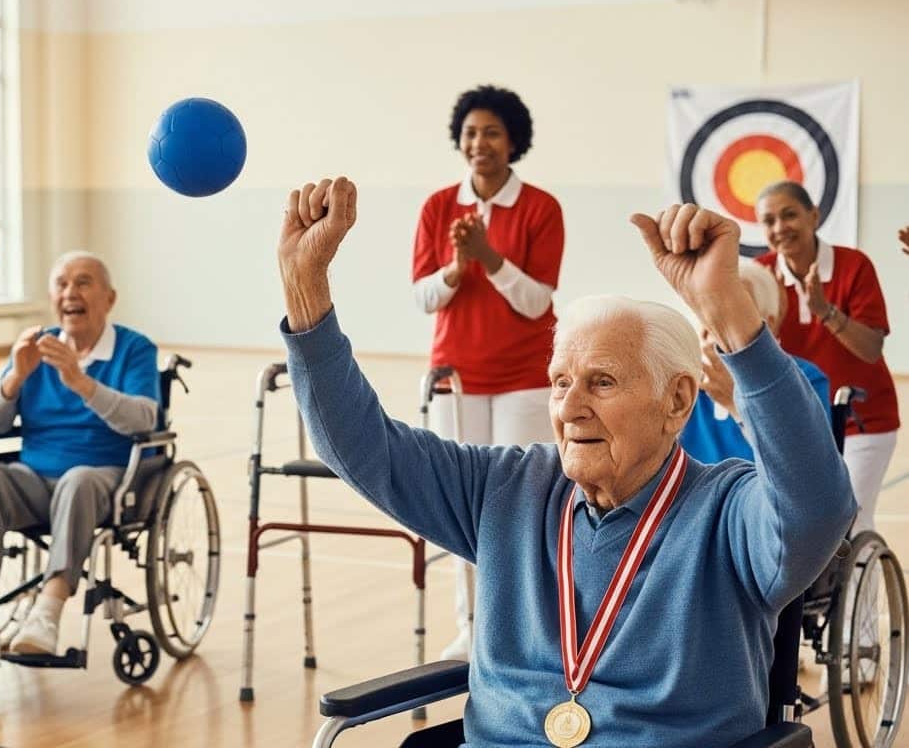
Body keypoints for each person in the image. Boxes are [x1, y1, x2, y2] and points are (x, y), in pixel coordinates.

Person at [277, 176, 853, 746]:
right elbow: (363, 448)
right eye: (559, 383)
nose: (570, 409)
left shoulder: (727, 513)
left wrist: (728, 313)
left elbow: (819, 506)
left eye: (602, 382)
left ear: (677, 401)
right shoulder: (507, 487)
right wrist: (306, 292)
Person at [0, 252, 159, 658]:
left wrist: (81, 382)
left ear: (109, 298)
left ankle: (46, 614)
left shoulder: (134, 349)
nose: (70, 293)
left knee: (78, 480)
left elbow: (145, 419)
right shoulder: (38, 346)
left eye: (83, 283)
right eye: (61, 284)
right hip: (34, 481)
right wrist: (16, 376)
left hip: (105, 479)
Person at [410, 85, 565, 660]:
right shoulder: (437, 207)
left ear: (513, 141)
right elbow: (424, 297)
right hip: (456, 380)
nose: (479, 143)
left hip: (525, 379)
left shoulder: (541, 208)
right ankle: (472, 626)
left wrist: (489, 256)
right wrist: (457, 266)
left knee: (522, 508)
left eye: (492, 133)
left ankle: (524, 629)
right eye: (471, 133)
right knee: (465, 506)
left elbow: (536, 302)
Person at [754, 181, 899, 534]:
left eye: (789, 215)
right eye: (769, 220)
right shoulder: (760, 275)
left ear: (814, 216)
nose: (779, 227)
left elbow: (870, 349)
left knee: (851, 523)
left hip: (862, 419)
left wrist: (825, 310)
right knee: (804, 528)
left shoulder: (853, 265)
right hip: (800, 423)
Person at [680, 259, 829, 463]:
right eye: (708, 311)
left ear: (769, 325)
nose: (715, 323)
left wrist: (737, 402)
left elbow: (807, 467)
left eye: (734, 312)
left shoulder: (806, 378)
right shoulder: (687, 380)